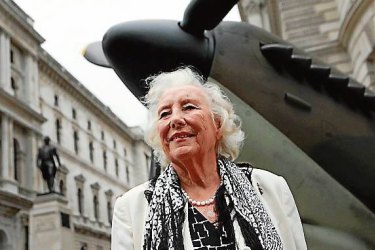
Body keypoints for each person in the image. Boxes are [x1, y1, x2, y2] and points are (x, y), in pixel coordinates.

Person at [112, 67, 307, 250]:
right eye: (165, 114)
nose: (175, 120)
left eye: (188, 107)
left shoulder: (272, 189)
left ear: (218, 125)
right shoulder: (131, 208)